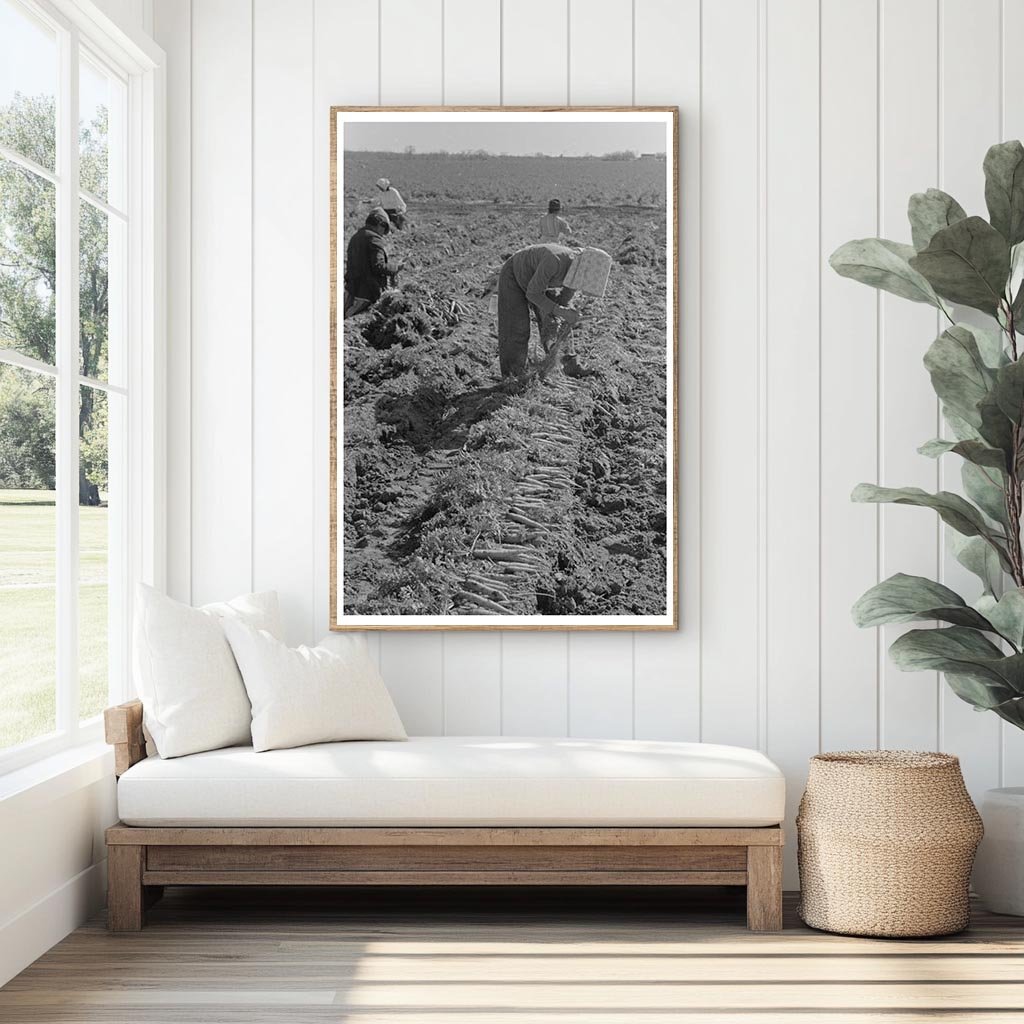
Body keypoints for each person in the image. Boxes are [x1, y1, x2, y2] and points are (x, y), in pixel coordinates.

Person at [496, 243, 582, 378]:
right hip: (515, 275)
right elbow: (533, 294)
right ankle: (513, 376)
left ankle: (570, 365)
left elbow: (563, 300)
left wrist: (565, 313)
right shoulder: (554, 261)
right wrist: (561, 311)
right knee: (517, 327)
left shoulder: (579, 272)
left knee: (555, 322)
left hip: (539, 281)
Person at [343, 208, 391, 318]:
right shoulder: (375, 239)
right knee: (350, 319)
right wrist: (395, 268)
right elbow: (379, 266)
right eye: (384, 230)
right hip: (367, 291)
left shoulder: (356, 237)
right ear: (380, 225)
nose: (383, 234)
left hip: (351, 287)